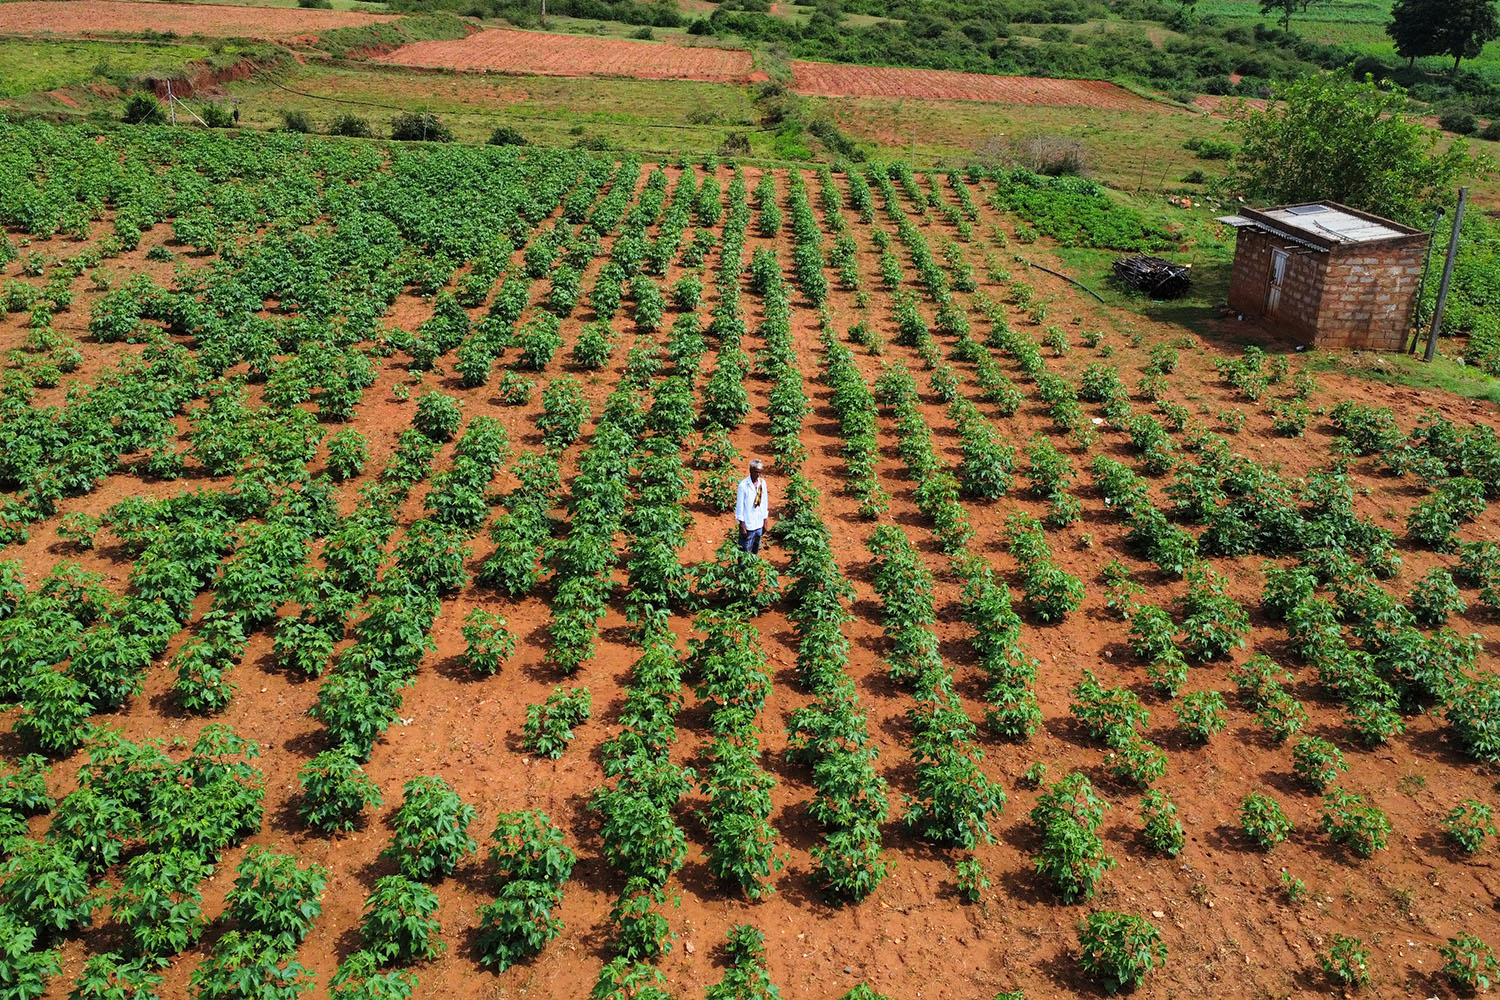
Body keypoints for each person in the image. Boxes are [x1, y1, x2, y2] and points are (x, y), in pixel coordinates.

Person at [735, 458, 771, 555]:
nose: (758, 475)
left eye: (760, 472)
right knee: (745, 551)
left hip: (758, 523)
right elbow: (740, 506)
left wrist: (765, 520)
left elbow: (764, 503)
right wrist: (742, 524)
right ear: (750, 470)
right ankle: (743, 569)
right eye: (756, 472)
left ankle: (752, 568)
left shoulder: (762, 484)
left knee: (755, 550)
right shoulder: (743, 486)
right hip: (748, 524)